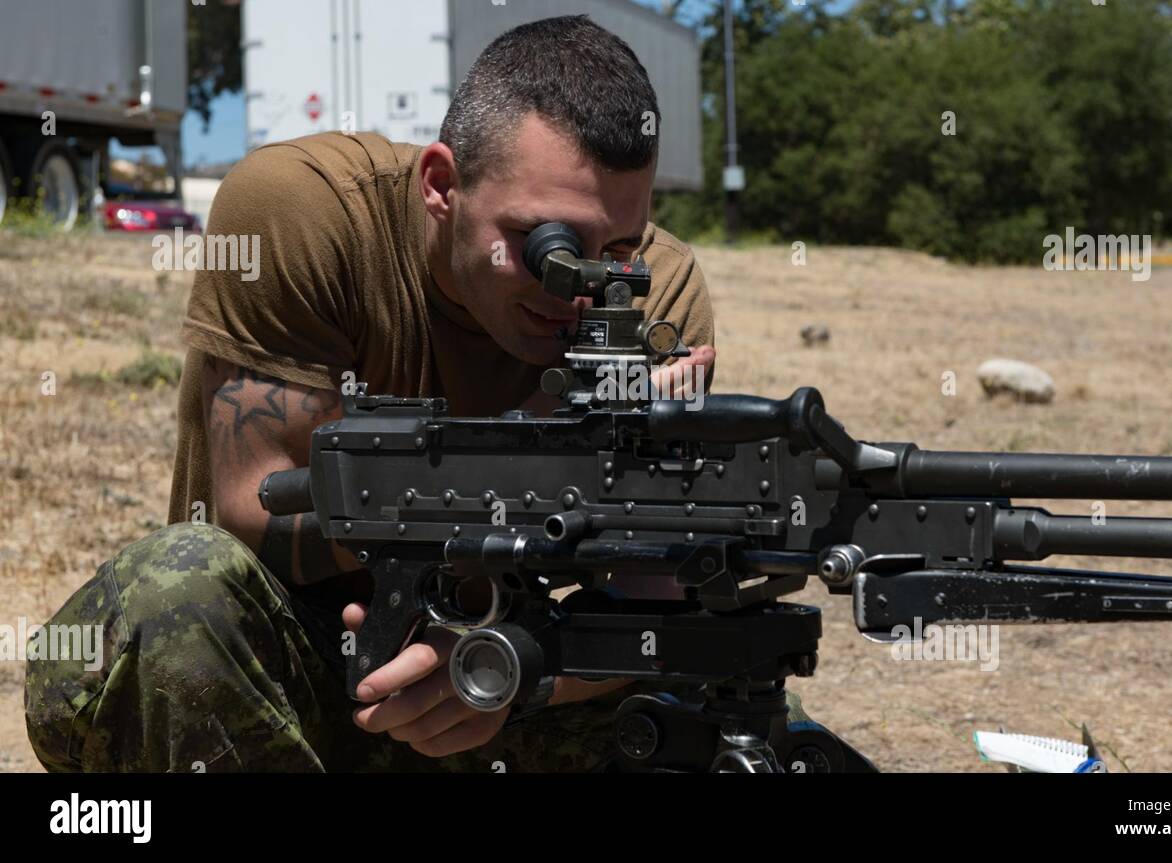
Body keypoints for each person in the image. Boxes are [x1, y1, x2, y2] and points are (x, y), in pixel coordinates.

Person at [25, 15, 804, 772]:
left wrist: (515, 668)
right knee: (180, 585)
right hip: (288, 679)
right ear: (441, 184)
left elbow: (656, 594)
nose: (583, 289)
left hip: (514, 680)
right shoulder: (303, 209)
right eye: (548, 246)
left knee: (740, 717)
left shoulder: (660, 288)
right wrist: (553, 454)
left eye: (621, 247)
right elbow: (253, 509)